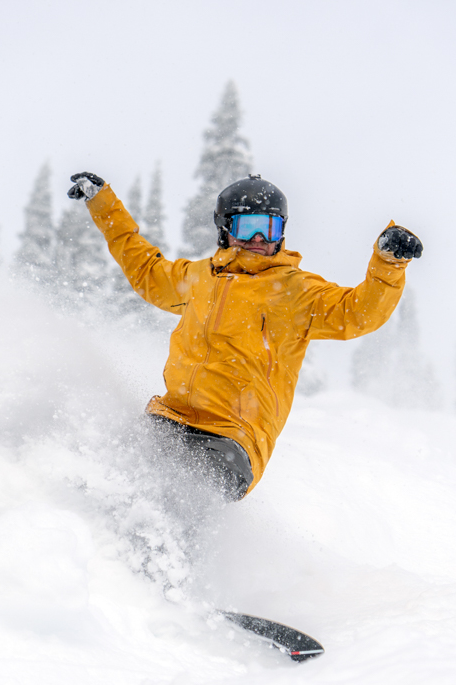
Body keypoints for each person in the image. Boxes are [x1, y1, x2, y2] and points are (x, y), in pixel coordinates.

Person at [68, 171, 423, 501]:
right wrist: (103, 205)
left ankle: (172, 556)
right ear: (225, 229)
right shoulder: (199, 279)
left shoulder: (296, 291)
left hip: (233, 439)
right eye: (248, 226)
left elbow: (357, 313)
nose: (257, 239)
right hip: (172, 417)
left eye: (268, 229)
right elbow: (145, 269)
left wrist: (388, 265)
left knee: (185, 491)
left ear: (281, 233)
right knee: (112, 462)